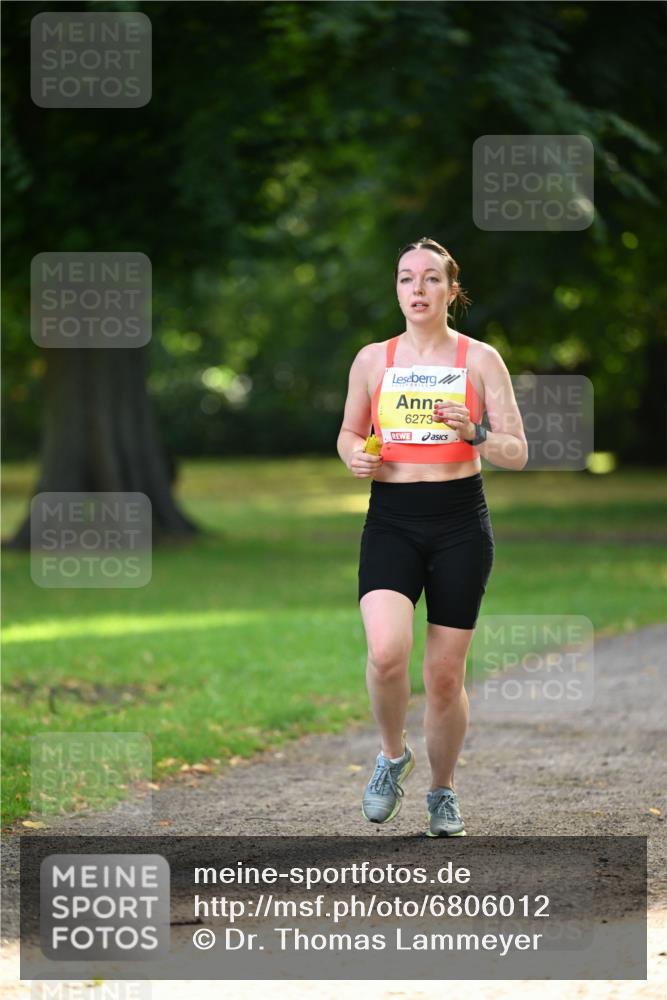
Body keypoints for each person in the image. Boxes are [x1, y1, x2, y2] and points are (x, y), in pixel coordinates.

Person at [337, 237, 527, 837]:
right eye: (405, 278)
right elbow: (348, 433)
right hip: (391, 519)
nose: (417, 289)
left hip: (460, 523)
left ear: (451, 289)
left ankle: (442, 791)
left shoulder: (480, 359)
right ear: (397, 289)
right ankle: (392, 756)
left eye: (430, 278)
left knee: (445, 676)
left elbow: (517, 451)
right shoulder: (373, 359)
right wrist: (354, 457)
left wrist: (475, 433)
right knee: (386, 652)